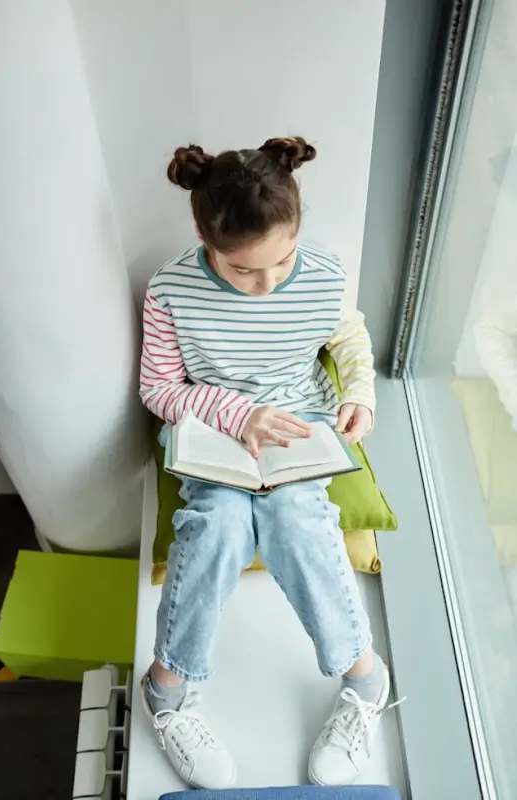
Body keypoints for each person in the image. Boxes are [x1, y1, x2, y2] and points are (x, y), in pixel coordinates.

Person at [139, 137, 393, 790]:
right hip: (214, 441)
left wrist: (359, 392)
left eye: (281, 260)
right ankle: (168, 690)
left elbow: (349, 336)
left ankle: (364, 680)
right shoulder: (170, 293)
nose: (267, 283)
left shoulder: (324, 273)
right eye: (243, 269)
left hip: (297, 435)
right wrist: (234, 413)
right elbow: (160, 389)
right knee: (218, 525)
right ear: (204, 234)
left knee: (296, 521)